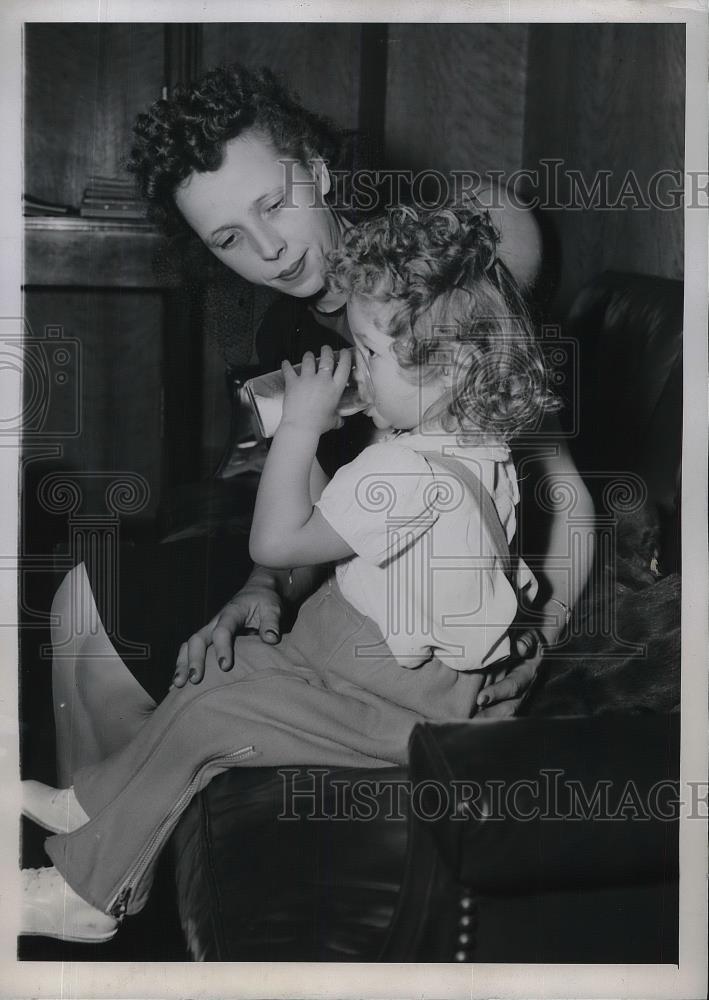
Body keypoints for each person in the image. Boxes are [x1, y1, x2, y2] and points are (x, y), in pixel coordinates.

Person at [22, 202, 561, 943]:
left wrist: (302, 425)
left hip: (405, 699)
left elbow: (278, 542)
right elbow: (330, 528)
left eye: (369, 353)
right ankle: (95, 799)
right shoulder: (468, 438)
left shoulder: (403, 470)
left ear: (451, 369)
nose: (357, 369)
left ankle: (90, 896)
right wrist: (330, 422)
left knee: (214, 716)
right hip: (360, 652)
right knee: (221, 670)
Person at [122, 63, 592, 712]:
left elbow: (562, 491)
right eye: (228, 238)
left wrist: (545, 635)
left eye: (274, 205)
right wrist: (262, 586)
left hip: (478, 590)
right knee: (102, 606)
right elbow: (321, 504)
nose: (267, 251)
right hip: (368, 573)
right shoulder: (285, 337)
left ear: (316, 173)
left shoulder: (437, 285)